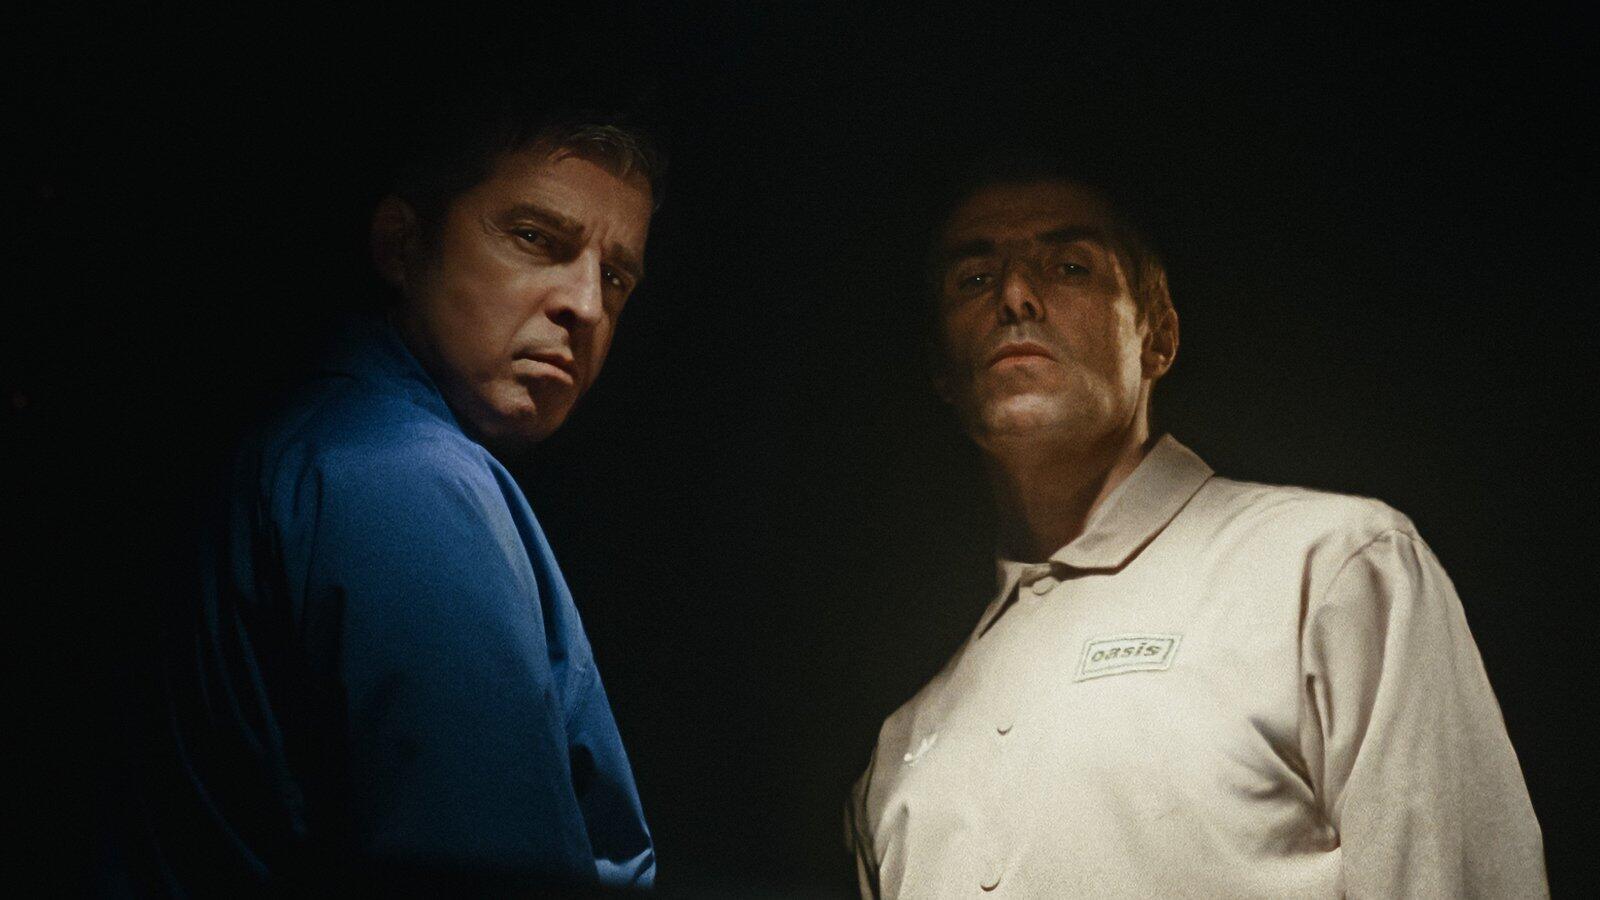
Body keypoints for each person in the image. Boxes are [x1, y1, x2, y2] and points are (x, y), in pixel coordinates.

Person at [845, 154, 1546, 897]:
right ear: (942, 371)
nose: (1015, 296)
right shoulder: (903, 749)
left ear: (1158, 338)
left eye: (1070, 267)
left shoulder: (1334, 566)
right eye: (974, 279)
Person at [133, 96, 664, 893]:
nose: (585, 305)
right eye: (535, 238)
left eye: (615, 276)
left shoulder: (329, 440)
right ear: (401, 243)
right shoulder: (407, 480)